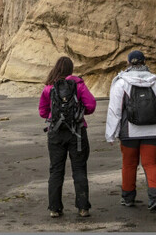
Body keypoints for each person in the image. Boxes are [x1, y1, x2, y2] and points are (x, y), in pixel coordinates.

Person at [105, 50, 156, 212]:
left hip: (129, 132)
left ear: (129, 63)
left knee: (129, 164)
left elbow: (115, 110)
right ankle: (155, 198)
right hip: (153, 130)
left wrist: (111, 134)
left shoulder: (121, 82)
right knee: (150, 164)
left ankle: (128, 197)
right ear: (144, 62)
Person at [38, 56, 96, 219]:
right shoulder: (78, 84)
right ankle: (83, 207)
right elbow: (91, 105)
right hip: (77, 132)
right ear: (71, 69)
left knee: (56, 170)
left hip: (56, 132)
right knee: (79, 169)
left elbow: (42, 111)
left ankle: (54, 208)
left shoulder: (49, 87)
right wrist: (79, 112)